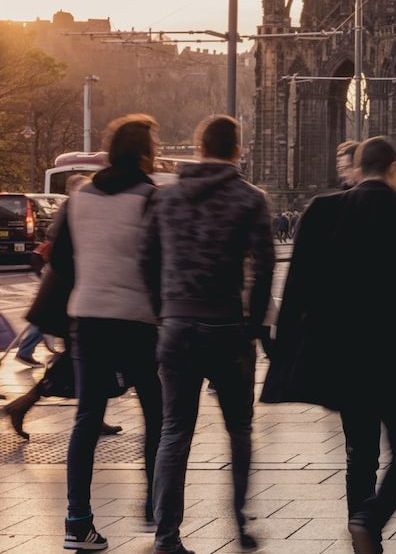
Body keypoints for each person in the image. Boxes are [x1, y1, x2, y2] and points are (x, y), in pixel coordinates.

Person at [261, 136, 396, 554]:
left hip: (342, 359)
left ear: (359, 168)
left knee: (359, 452)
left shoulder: (322, 211)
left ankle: (361, 527)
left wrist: (282, 353)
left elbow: (298, 285)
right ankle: (370, 520)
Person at [139, 115, 274, 554]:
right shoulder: (249, 198)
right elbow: (266, 265)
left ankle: (166, 536)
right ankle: (239, 523)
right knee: (239, 429)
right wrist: (253, 324)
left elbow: (145, 260)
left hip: (177, 327)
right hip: (227, 328)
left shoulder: (166, 197)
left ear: (198, 147)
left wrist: (163, 311)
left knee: (175, 431)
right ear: (237, 149)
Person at [50, 114, 164, 551]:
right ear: (141, 153)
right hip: (136, 321)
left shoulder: (79, 198)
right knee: (155, 412)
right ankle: (154, 506)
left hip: (89, 319)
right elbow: (158, 262)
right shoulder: (150, 198)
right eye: (152, 145)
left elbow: (61, 261)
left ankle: (77, 520)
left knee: (87, 419)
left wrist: (92, 277)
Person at [5, 174, 123, 440]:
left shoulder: (82, 205)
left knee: (82, 362)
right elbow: (58, 247)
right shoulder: (75, 205)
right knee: (78, 362)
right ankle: (24, 405)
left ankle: (29, 405)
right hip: (70, 300)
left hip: (77, 298)